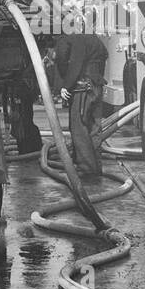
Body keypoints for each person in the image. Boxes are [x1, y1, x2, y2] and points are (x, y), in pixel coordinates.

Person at [54, 26, 108, 176]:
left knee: (79, 128)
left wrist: (66, 85)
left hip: (82, 88)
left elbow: (64, 59)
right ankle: (96, 167)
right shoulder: (93, 38)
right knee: (94, 128)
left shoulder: (69, 39)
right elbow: (105, 54)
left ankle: (86, 169)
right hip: (96, 86)